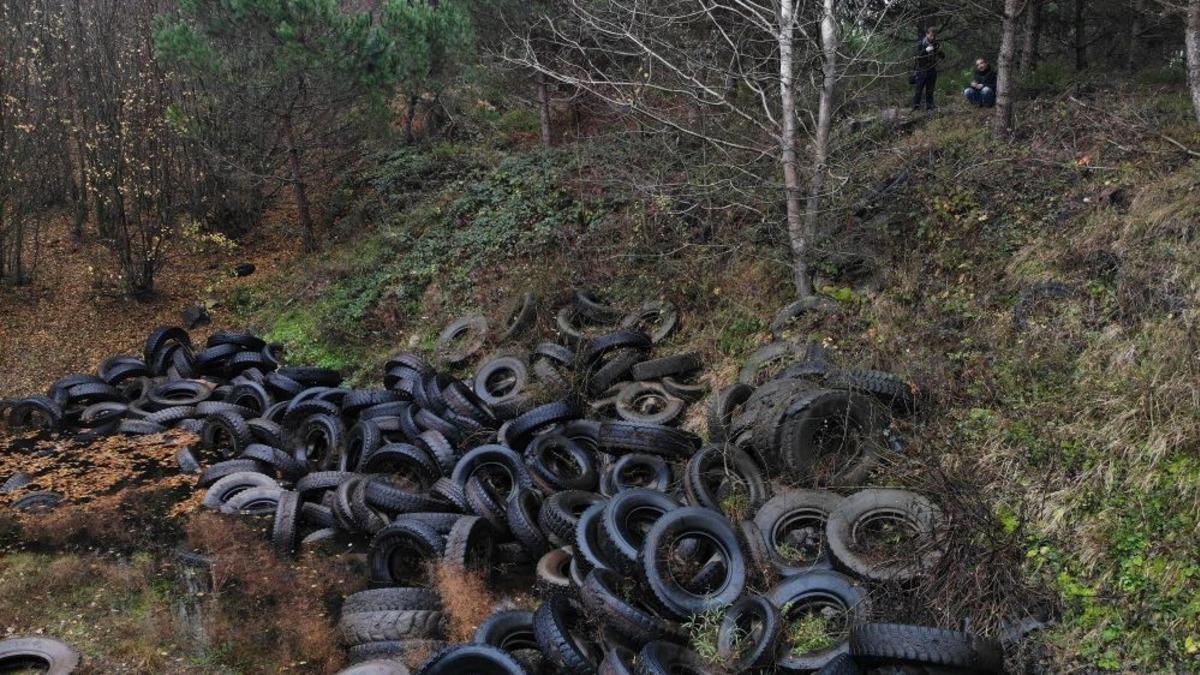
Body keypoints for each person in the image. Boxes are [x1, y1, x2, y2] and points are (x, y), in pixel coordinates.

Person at [911, 27, 944, 111]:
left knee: (930, 90)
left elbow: (943, 57)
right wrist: (926, 50)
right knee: (919, 89)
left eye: (934, 36)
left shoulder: (936, 44)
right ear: (927, 34)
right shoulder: (921, 43)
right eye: (931, 35)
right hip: (921, 69)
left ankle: (930, 106)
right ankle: (916, 107)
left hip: (932, 69)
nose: (933, 38)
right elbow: (917, 56)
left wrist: (939, 51)